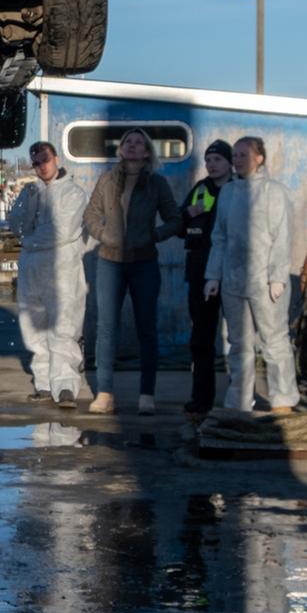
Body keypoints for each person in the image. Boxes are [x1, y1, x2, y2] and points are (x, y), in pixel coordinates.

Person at [82, 129, 183, 415]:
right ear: (121, 149)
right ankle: (104, 393)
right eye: (128, 142)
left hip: (144, 263)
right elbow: (90, 214)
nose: (133, 146)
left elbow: (174, 220)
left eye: (139, 143)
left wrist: (153, 236)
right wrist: (103, 234)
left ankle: (146, 395)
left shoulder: (157, 184)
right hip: (109, 262)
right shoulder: (106, 181)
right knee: (106, 328)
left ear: (148, 151)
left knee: (146, 329)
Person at [205, 135, 299, 413]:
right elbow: (220, 236)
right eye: (234, 155)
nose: (237, 160)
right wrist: (214, 275)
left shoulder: (275, 192)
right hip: (233, 279)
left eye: (243, 155)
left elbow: (283, 237)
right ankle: (239, 402)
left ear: (259, 158)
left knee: (274, 341)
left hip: (266, 281)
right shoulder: (228, 193)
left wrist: (278, 276)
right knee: (239, 345)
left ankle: (283, 400)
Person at [7, 141, 89, 407]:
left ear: (56, 159)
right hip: (32, 269)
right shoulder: (31, 192)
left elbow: (61, 231)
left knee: (63, 328)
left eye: (45, 160)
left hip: (62, 268)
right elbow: (16, 224)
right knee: (34, 327)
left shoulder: (73, 193)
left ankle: (65, 386)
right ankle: (43, 382)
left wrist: (29, 241)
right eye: (36, 163)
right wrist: (28, 202)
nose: (41, 166)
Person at [176, 140, 233, 420]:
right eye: (208, 160)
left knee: (239, 339)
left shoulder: (239, 189)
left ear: (230, 163)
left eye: (218, 160)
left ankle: (240, 400)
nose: (211, 164)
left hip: (232, 270)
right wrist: (189, 214)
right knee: (201, 338)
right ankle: (201, 399)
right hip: (199, 270)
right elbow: (178, 226)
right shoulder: (201, 189)